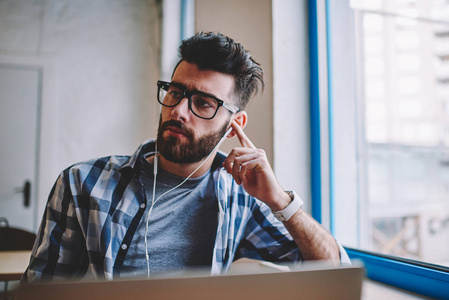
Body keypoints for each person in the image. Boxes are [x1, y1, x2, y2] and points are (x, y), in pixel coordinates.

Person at [22, 32, 350, 282]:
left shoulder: (240, 197)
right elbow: (41, 289)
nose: (178, 111)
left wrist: (280, 200)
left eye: (203, 103)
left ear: (235, 124)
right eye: (176, 92)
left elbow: (334, 268)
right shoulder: (83, 183)